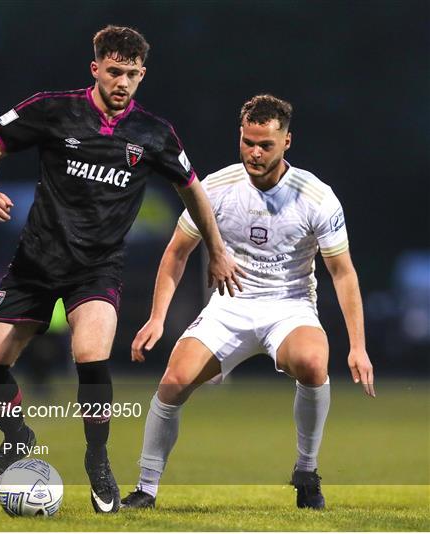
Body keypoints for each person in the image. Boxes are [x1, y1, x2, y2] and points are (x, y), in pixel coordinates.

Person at [0, 25, 241, 514]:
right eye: (115, 72)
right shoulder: (53, 109)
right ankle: (16, 438)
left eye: (133, 75)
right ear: (95, 69)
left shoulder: (153, 133)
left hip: (96, 269)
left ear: (142, 75)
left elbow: (193, 190)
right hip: (35, 263)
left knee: (91, 357)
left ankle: (97, 461)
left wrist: (218, 250)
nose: (123, 83)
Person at [122, 94, 375, 510]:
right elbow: (176, 252)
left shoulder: (317, 197)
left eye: (266, 145)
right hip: (228, 307)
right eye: (247, 142)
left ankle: (307, 472)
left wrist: (358, 346)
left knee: (314, 364)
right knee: (172, 383)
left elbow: (342, 273)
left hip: (289, 306)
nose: (254, 153)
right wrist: (156, 318)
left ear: (287, 141)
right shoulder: (215, 188)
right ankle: (146, 488)